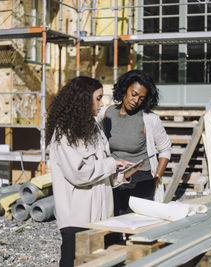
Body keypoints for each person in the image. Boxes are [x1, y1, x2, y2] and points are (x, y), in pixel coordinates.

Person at [46, 76, 141, 267]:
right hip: (77, 221)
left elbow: (101, 172)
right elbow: (78, 174)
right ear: (82, 99)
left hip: (102, 218)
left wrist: (124, 173)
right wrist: (111, 164)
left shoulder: (94, 129)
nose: (102, 103)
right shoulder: (63, 134)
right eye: (98, 98)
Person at [97, 70, 172, 215]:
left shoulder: (149, 119)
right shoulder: (106, 113)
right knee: (112, 225)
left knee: (137, 225)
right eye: (134, 94)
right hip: (113, 176)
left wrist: (156, 178)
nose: (136, 101)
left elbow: (165, 149)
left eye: (141, 98)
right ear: (125, 89)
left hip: (140, 180)